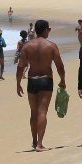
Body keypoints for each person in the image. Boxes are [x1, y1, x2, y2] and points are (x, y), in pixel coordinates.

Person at [16, 19, 66, 152]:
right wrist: (62, 79)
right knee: (42, 112)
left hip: (32, 80)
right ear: (45, 30)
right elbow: (59, 65)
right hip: (45, 80)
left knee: (33, 112)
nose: (49, 32)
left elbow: (21, 66)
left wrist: (18, 83)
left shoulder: (27, 46)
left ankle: (34, 141)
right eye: (48, 29)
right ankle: (39, 144)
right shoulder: (51, 46)